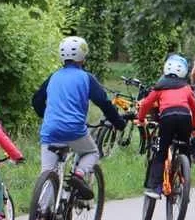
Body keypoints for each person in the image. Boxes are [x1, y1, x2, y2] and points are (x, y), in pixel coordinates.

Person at [30, 36, 125, 207]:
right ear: (83, 57)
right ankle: (79, 175)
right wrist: (119, 123)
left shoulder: (53, 77)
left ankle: (41, 217)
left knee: (47, 173)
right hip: (74, 131)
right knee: (92, 153)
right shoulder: (86, 78)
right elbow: (103, 102)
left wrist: (50, 118)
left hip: (50, 131)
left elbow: (36, 100)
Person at [136, 55, 195, 200]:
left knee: (161, 152)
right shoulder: (186, 88)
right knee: (185, 149)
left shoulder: (159, 87)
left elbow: (146, 104)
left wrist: (140, 120)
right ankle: (185, 184)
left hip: (167, 119)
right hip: (185, 118)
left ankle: (155, 188)